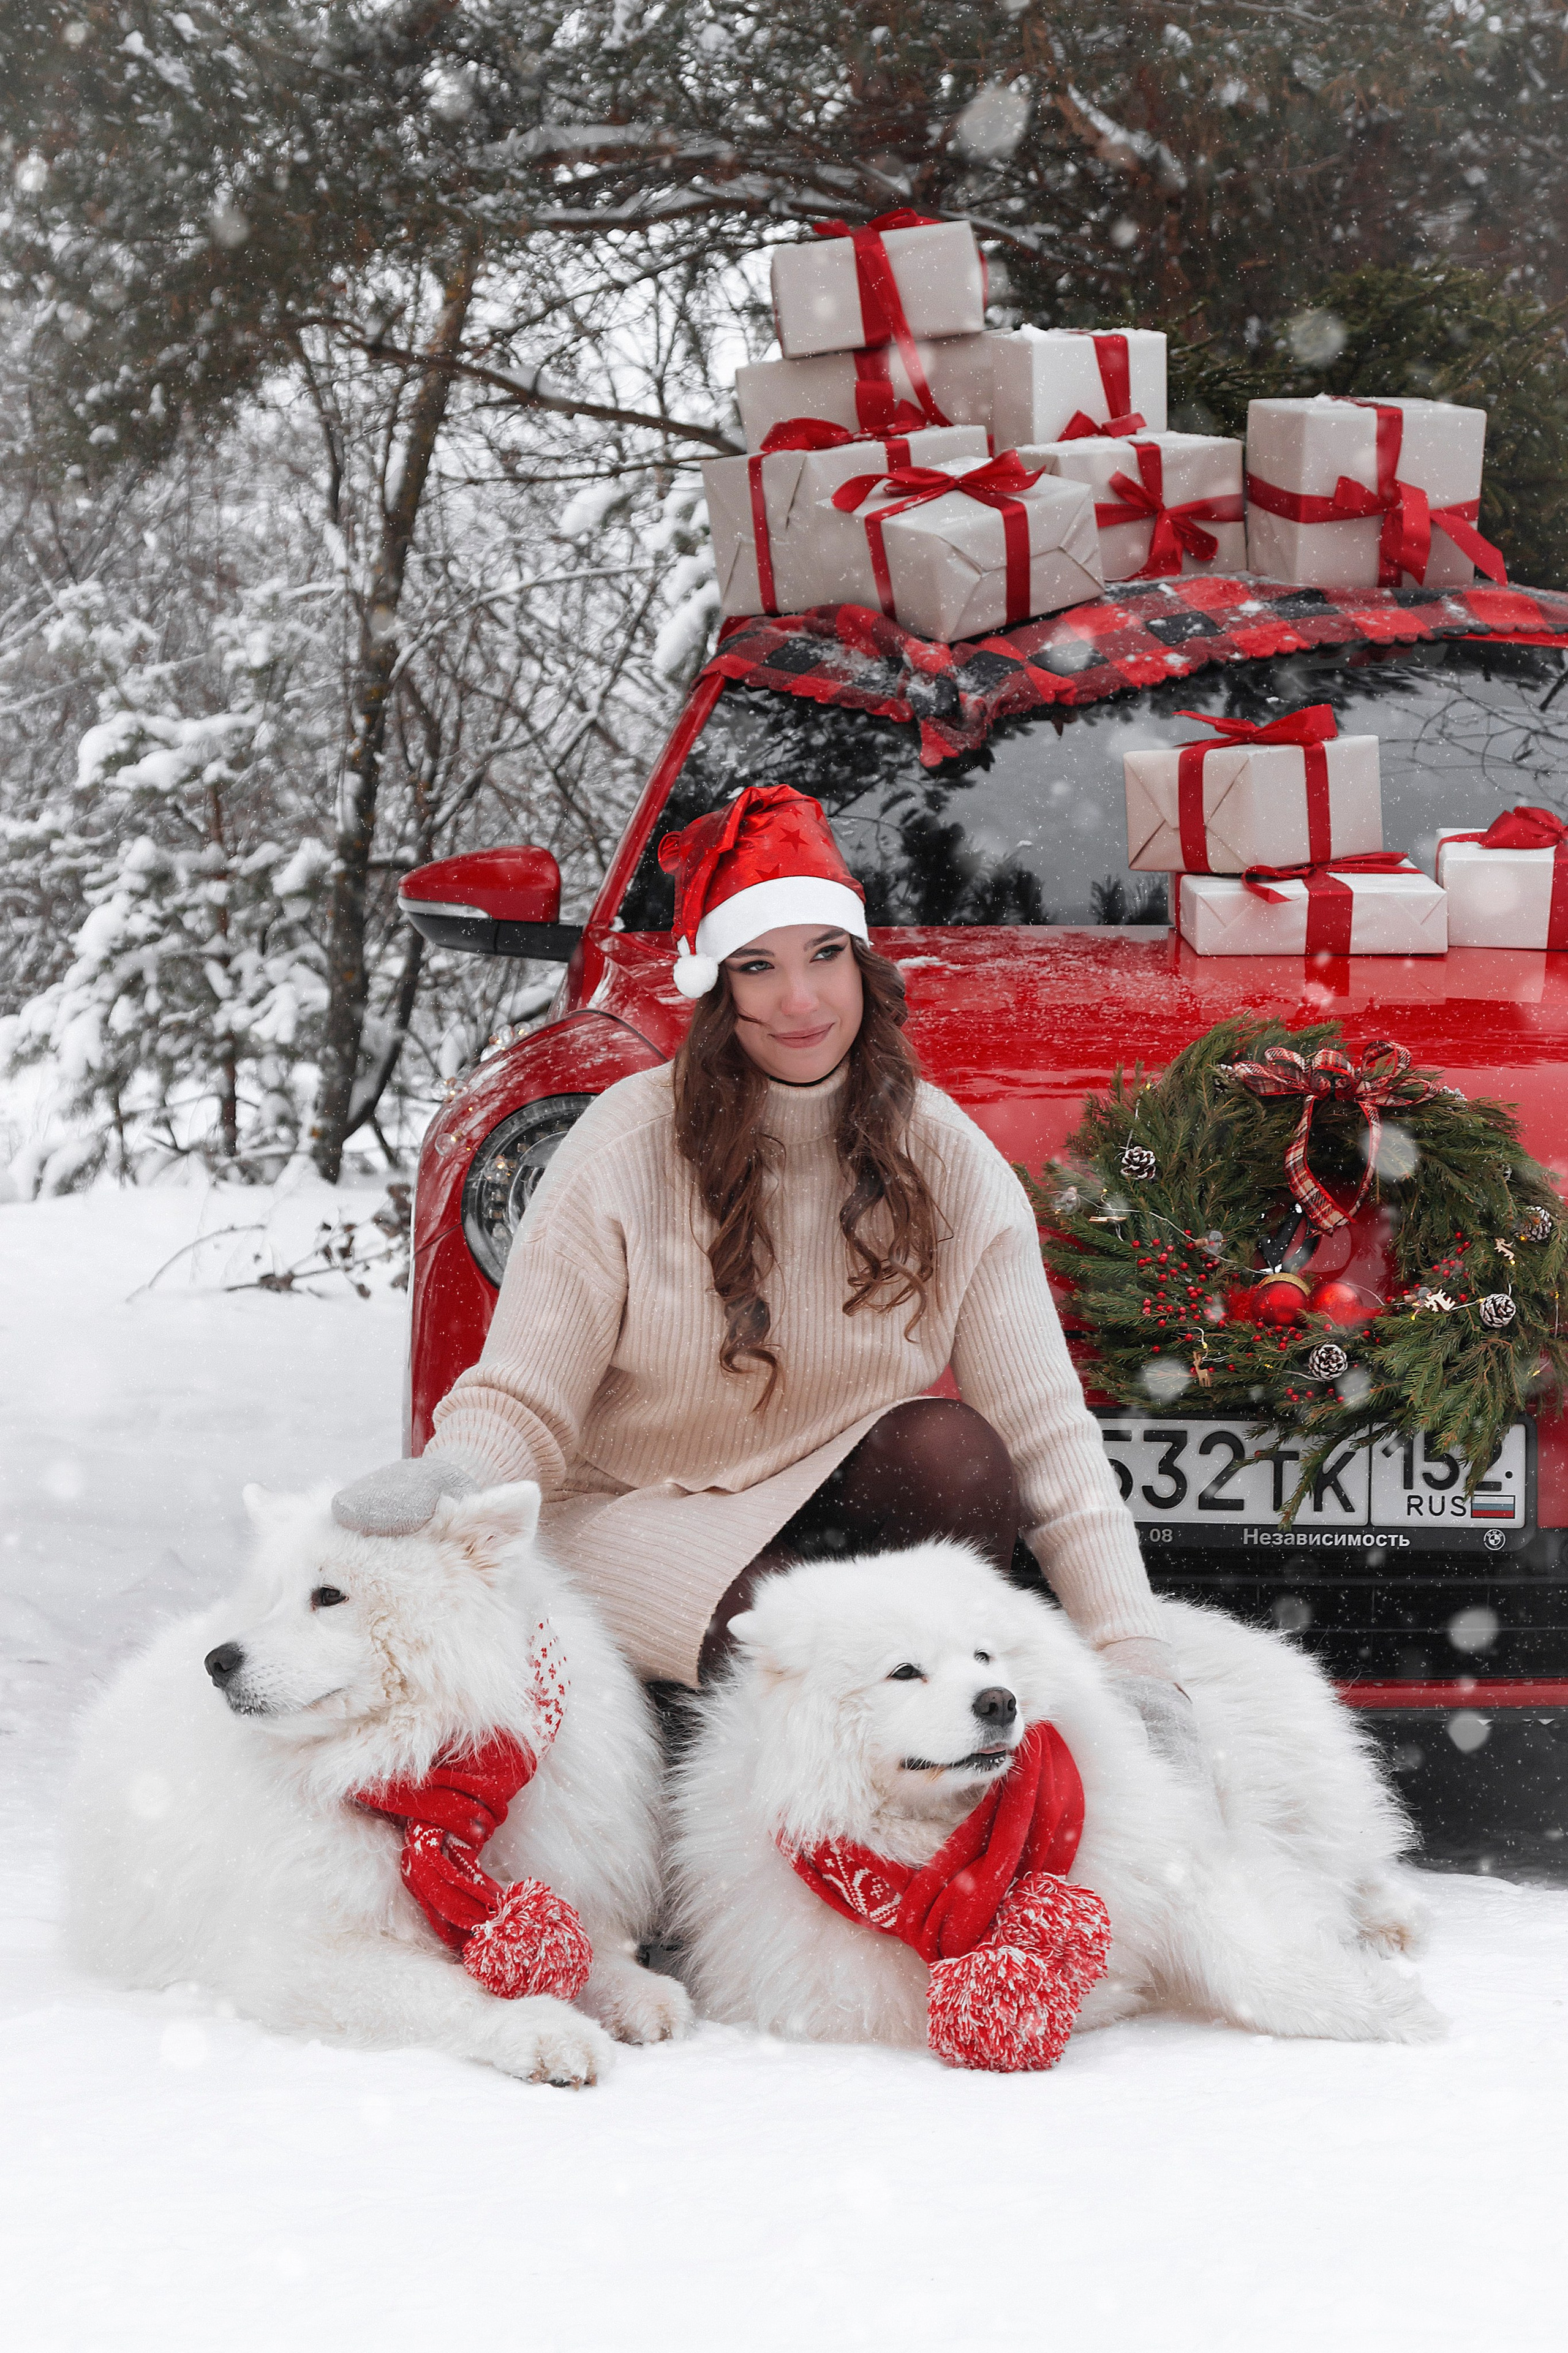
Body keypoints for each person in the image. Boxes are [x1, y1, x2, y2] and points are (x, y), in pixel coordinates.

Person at [334, 784, 1196, 1761]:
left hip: (827, 1499)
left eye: (825, 956)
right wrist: (452, 1473)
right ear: (720, 986)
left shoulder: (944, 1156)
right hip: (633, 1510)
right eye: (760, 966)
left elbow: (1047, 1435)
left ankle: (930, 1765)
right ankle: (711, 1780)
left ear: (862, 968)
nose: (800, 1000)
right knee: (785, 1638)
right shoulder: (626, 1143)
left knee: (956, 1449)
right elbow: (525, 1401)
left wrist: (1132, 1650)